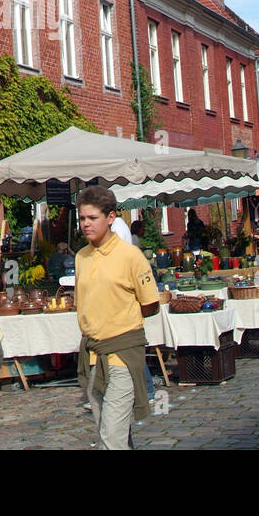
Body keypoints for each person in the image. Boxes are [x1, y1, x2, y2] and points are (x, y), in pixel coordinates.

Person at [74, 185, 159, 450]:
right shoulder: (81, 257)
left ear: (110, 217)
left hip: (123, 353)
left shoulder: (130, 255)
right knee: (110, 430)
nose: (86, 224)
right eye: (82, 218)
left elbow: (151, 304)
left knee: (111, 436)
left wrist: (122, 319)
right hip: (93, 355)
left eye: (92, 218)